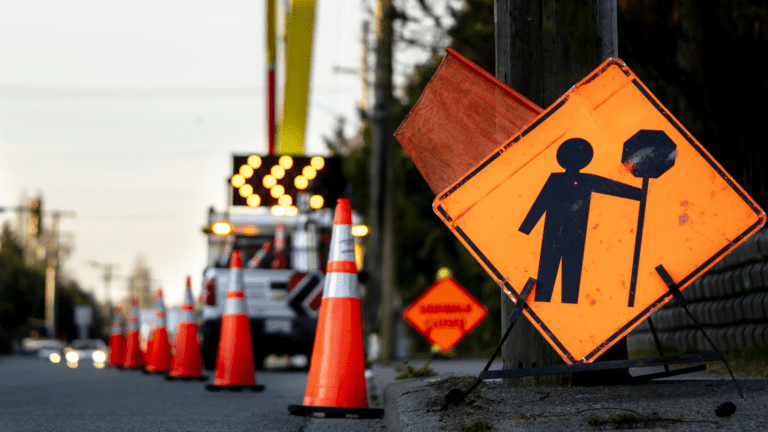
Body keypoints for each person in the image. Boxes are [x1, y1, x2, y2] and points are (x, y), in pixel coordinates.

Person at [519, 138, 642, 304]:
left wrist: (639, 194)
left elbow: (611, 186)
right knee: (547, 274)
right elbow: (540, 204)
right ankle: (545, 302)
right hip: (554, 233)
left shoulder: (585, 180)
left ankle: (568, 304)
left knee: (571, 273)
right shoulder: (557, 180)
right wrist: (525, 229)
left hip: (575, 233)